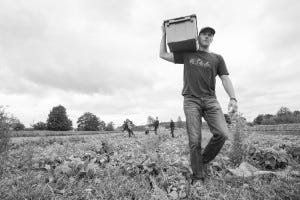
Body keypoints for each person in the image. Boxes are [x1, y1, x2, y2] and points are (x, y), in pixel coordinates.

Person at [159, 24, 238, 184]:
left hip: (210, 100)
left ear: (212, 39)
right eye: (204, 34)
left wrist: (233, 98)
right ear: (197, 36)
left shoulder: (217, 58)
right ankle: (198, 176)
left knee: (222, 134)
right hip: (191, 100)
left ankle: (200, 162)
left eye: (210, 35)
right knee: (194, 140)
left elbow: (224, 78)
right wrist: (163, 34)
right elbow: (162, 54)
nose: (207, 36)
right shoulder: (188, 54)